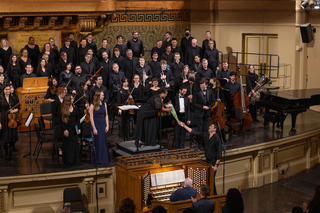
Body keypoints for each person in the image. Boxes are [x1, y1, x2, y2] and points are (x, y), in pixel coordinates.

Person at [180, 122, 222, 195]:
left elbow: (219, 154)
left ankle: (214, 196)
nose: (209, 127)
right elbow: (195, 133)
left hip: (213, 162)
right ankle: (209, 196)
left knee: (212, 181)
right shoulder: (206, 135)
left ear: (215, 129)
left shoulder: (217, 139)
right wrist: (184, 126)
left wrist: (216, 165)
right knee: (208, 181)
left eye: (211, 126)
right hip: (207, 161)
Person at [192, 78, 216, 151]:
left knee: (206, 130)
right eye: (201, 85)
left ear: (207, 85)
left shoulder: (210, 91)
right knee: (200, 130)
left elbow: (213, 101)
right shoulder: (196, 92)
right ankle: (200, 145)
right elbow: (194, 103)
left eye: (203, 86)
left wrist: (209, 107)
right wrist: (202, 107)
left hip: (207, 114)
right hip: (199, 113)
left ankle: (205, 144)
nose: (201, 87)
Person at [0, 83, 20, 161]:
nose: (8, 91)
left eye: (9, 89)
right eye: (6, 89)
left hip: (12, 119)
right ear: (3, 90)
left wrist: (13, 110)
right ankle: (6, 153)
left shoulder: (13, 98)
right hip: (4, 119)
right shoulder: (1, 99)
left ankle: (11, 152)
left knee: (12, 136)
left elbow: (18, 108)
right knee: (5, 136)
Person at [60, 94, 81, 167]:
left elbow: (77, 119)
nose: (73, 100)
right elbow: (61, 121)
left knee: (74, 145)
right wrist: (64, 130)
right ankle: (68, 161)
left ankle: (75, 161)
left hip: (74, 129)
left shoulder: (75, 108)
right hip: (67, 130)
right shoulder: (63, 109)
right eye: (71, 99)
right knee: (68, 146)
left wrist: (79, 128)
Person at [89, 90, 109, 164]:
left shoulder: (104, 104)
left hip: (103, 124)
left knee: (103, 142)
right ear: (98, 96)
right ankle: (98, 160)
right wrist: (94, 128)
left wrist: (107, 125)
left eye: (103, 95)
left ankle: (104, 159)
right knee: (98, 142)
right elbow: (91, 117)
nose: (103, 96)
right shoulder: (92, 105)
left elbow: (106, 115)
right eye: (102, 95)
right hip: (96, 125)